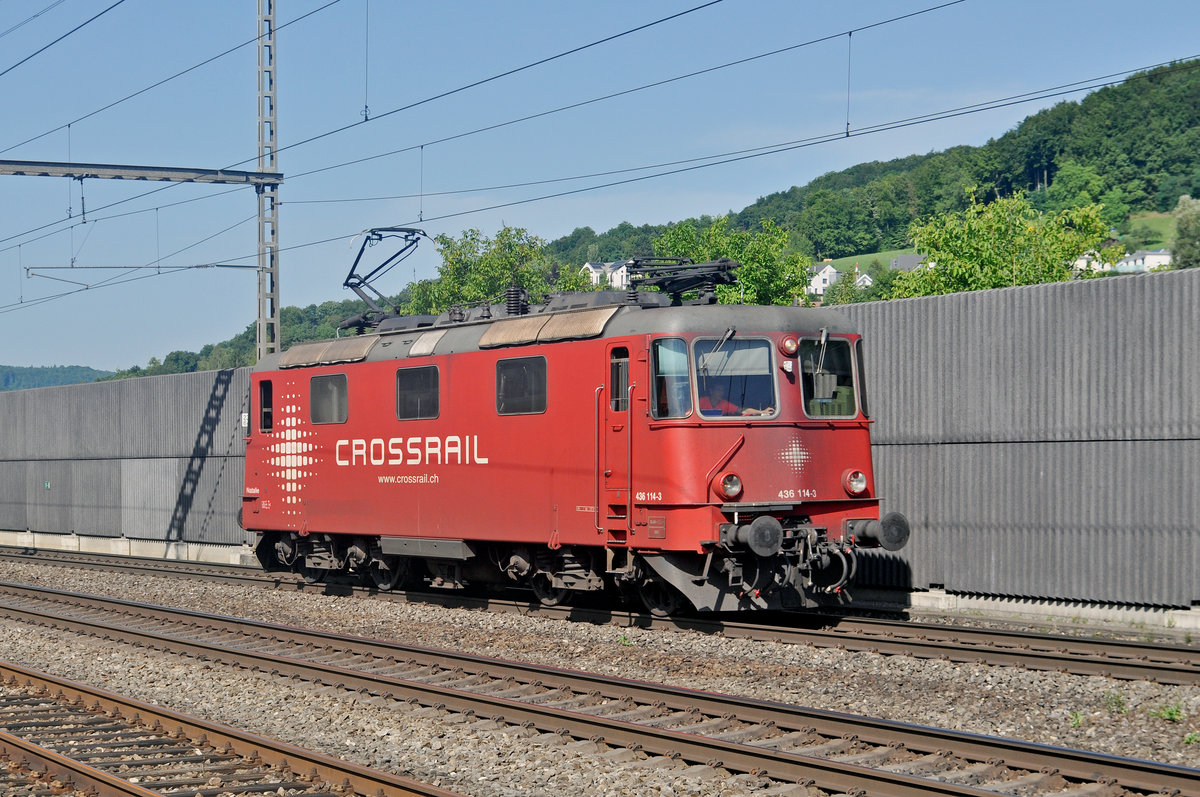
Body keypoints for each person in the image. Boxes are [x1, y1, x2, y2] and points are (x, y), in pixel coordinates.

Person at [699, 380, 772, 417]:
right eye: (719, 390)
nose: (721, 393)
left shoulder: (724, 403)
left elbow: (743, 411)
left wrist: (762, 412)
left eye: (723, 390)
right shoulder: (701, 401)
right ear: (711, 391)